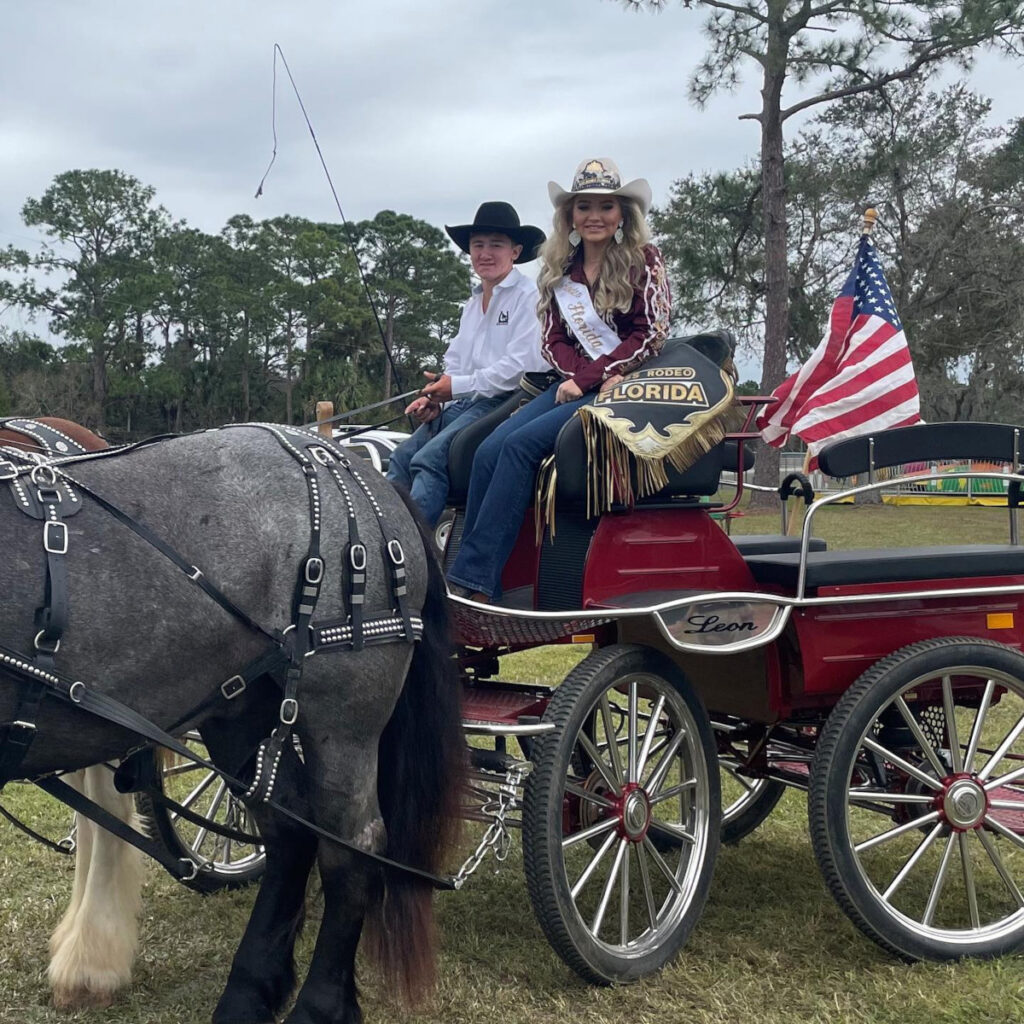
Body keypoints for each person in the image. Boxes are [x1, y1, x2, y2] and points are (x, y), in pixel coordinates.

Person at [447, 158, 671, 601]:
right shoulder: (560, 269)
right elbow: (552, 340)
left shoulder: (645, 261)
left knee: (519, 447)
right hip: (574, 383)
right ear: (570, 215)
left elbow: (651, 333)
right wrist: (580, 377)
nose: (594, 216)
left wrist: (594, 377)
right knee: (488, 450)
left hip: (625, 389)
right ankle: (476, 575)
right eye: (583, 206)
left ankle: (472, 582)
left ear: (622, 213)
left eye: (606, 206)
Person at [386, 201, 548, 527]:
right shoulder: (472, 304)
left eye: (496, 245)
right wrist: (434, 396)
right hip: (469, 403)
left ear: (515, 251)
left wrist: (455, 387)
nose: (485, 253)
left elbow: (520, 366)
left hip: (508, 403)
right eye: (478, 245)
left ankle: (418, 554)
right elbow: (457, 363)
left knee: (430, 460)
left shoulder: (529, 297)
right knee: (401, 458)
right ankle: (387, 541)